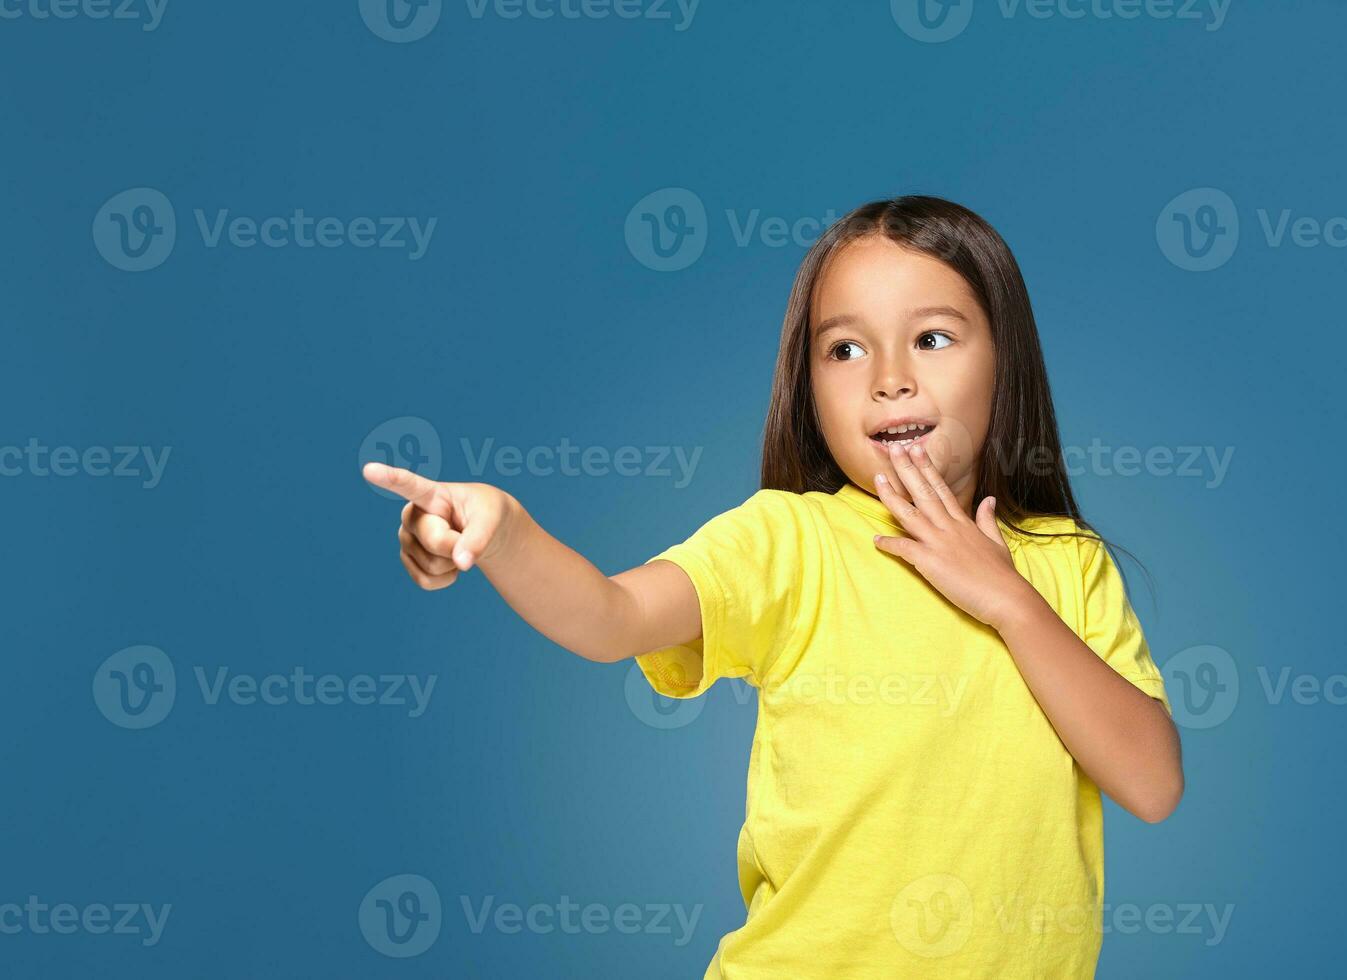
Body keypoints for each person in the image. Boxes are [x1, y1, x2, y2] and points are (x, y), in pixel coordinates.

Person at [362, 195, 1184, 978]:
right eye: (846, 349)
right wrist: (506, 532)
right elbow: (610, 616)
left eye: (933, 339)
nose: (889, 378)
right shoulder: (788, 543)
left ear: (1006, 360)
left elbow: (1151, 784)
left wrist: (1006, 598)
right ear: (809, 388)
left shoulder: (1067, 564)